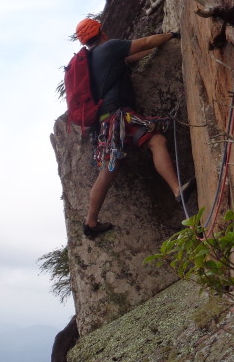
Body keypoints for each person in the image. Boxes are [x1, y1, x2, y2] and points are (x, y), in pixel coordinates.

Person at [75, 17, 191, 239]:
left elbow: (132, 58)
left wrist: (157, 48)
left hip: (108, 121)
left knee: (112, 168)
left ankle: (90, 222)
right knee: (153, 143)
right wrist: (171, 35)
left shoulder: (93, 59)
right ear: (100, 30)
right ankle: (177, 191)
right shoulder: (109, 47)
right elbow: (146, 41)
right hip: (121, 117)